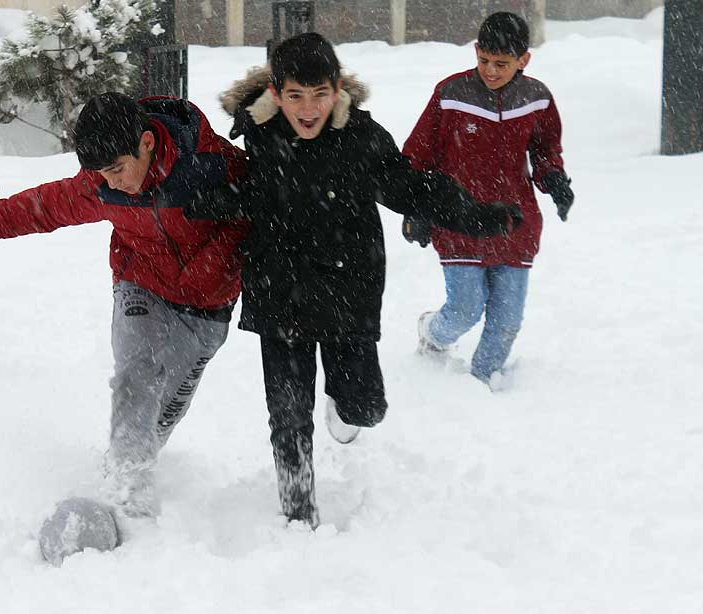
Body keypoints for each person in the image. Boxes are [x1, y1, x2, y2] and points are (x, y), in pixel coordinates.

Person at [187, 32, 522, 527]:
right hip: (279, 293)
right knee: (288, 417)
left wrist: (476, 216)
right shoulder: (260, 136)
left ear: (337, 88)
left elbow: (411, 186)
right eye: (295, 95)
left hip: (348, 293)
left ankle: (344, 413)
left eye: (319, 94)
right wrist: (207, 199)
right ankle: (299, 516)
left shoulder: (360, 140)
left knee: (365, 408)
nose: (308, 109)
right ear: (276, 93)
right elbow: (250, 194)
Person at [0, 92, 248, 517]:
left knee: (166, 410)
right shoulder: (103, 185)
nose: (112, 182)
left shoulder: (211, 163)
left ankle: (137, 457)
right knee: (135, 374)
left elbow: (270, 202)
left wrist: (233, 231)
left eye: (118, 170)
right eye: (102, 174)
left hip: (207, 302)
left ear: (145, 142)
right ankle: (127, 492)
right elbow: (37, 209)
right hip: (140, 281)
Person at [402, 12, 573, 388]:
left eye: (502, 64)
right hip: (459, 216)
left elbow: (545, 152)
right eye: (484, 61)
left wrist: (555, 180)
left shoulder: (537, 98)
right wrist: (418, 207)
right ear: (476, 51)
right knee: (465, 309)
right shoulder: (451, 95)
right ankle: (432, 334)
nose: (491, 71)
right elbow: (418, 155)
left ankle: (480, 387)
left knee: (507, 320)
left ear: (523, 60)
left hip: (515, 221)